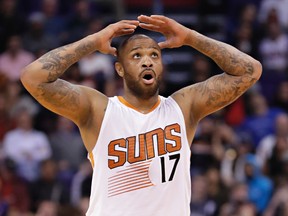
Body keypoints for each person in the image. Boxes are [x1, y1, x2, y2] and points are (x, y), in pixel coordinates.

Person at [20, 15, 262, 216]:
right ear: (119, 68)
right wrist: (92, 42)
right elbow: (33, 77)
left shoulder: (183, 107)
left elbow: (250, 71)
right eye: (137, 56)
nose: (147, 61)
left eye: (154, 55)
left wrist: (190, 37)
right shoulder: (99, 111)